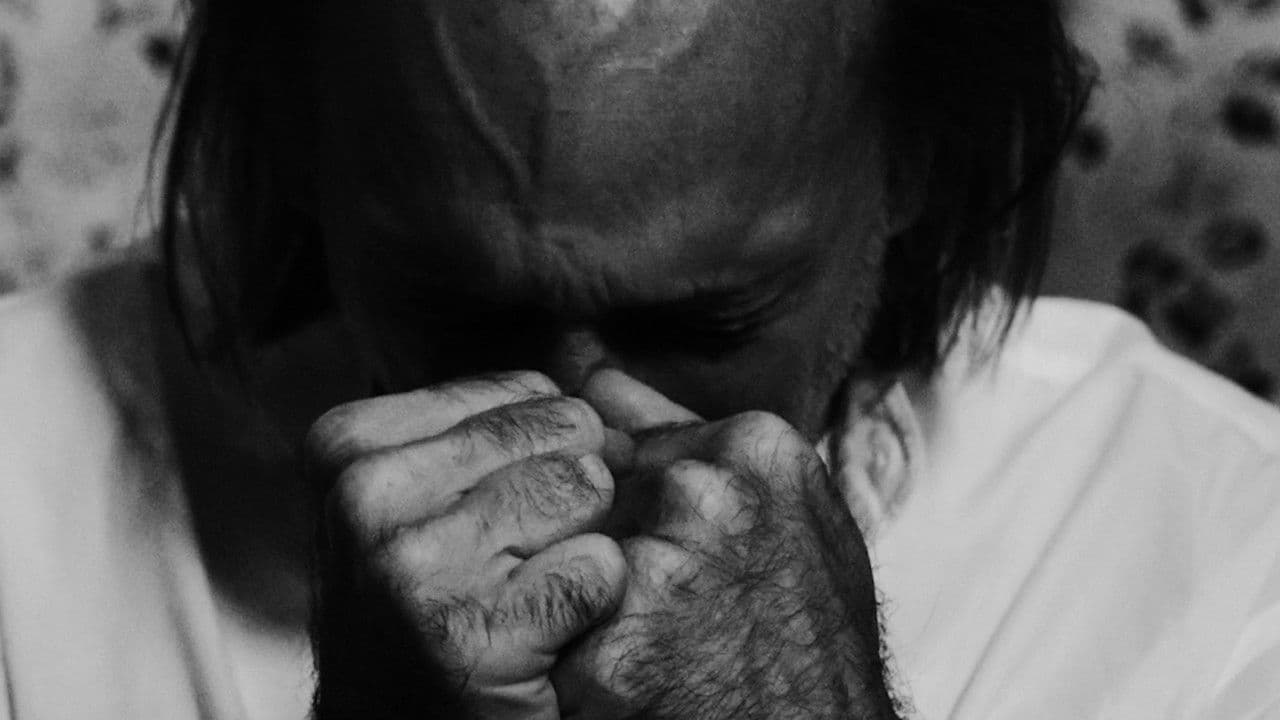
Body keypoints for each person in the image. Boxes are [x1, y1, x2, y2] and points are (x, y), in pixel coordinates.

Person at [2, 0, 1279, 719]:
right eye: (456, 309)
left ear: (914, 171)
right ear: (305, 160)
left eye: (705, 324)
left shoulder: (1229, 569)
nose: (575, 420)